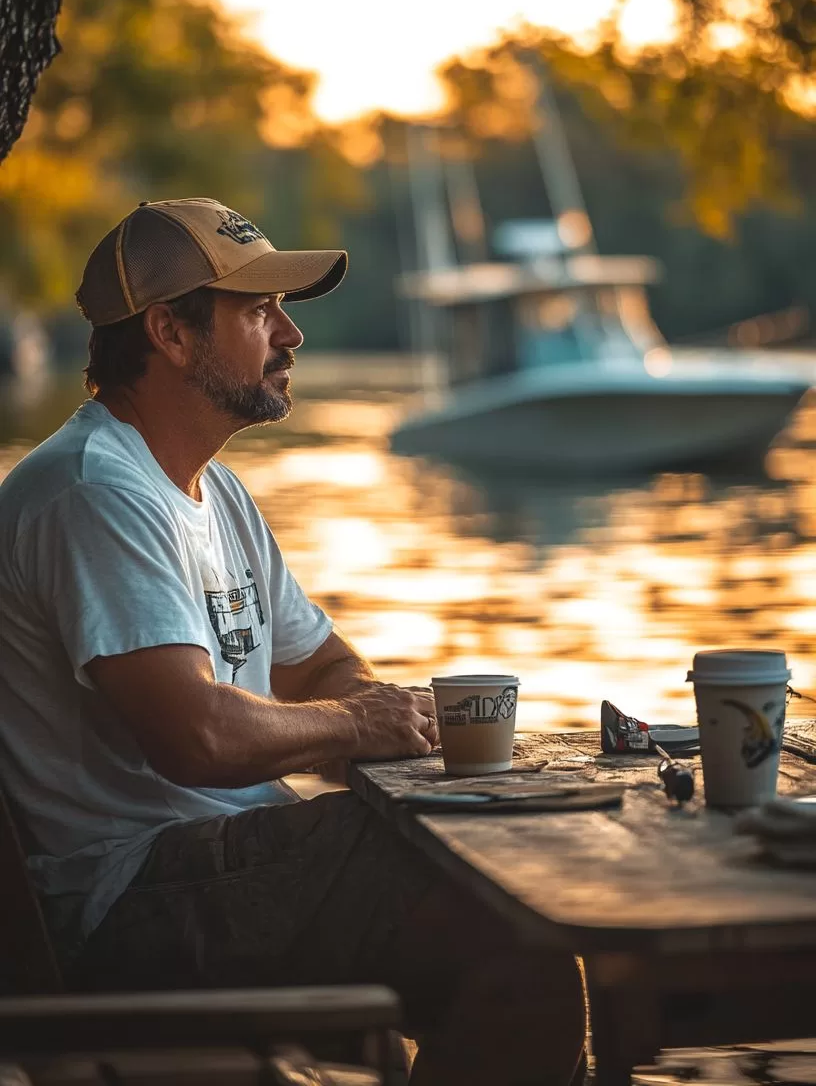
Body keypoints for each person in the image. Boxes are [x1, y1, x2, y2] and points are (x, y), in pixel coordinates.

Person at [0, 197, 586, 1086]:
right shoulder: (95, 494)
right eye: (257, 310)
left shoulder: (214, 492)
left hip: (221, 862)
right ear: (169, 332)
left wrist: (386, 722)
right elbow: (196, 736)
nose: (290, 336)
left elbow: (321, 666)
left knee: (505, 886)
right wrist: (355, 729)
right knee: (518, 939)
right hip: (127, 900)